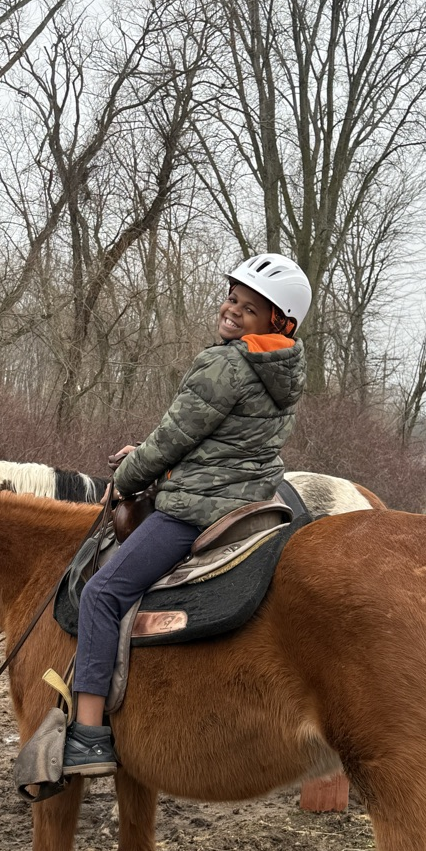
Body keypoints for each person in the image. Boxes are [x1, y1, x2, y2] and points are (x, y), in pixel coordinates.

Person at [62, 253, 311, 776]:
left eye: (250, 307)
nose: (233, 310)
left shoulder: (224, 364)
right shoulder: (286, 367)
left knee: (102, 593)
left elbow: (173, 439)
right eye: (232, 298)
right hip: (253, 500)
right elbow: (222, 441)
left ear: (277, 321)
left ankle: (87, 736)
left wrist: (124, 481)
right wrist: (148, 454)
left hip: (199, 509)